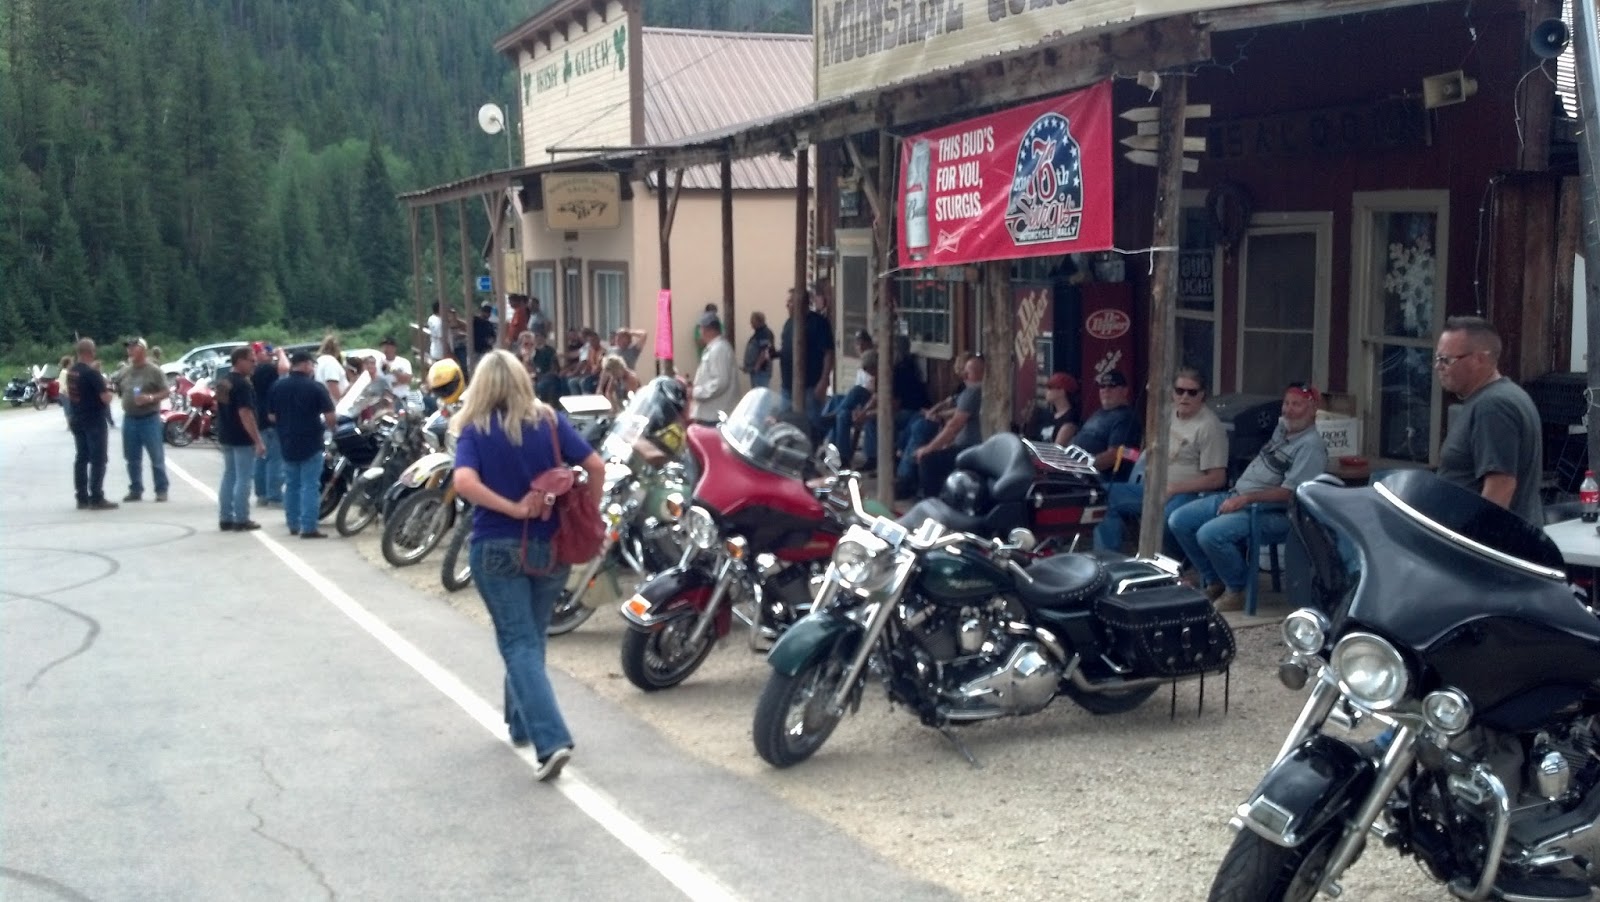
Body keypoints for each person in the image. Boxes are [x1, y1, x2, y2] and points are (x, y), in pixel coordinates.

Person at [452, 349, 605, 781]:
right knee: (530, 637)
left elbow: (464, 482)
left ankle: (551, 740)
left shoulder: (476, 428)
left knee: (517, 641)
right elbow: (594, 465)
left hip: (497, 545)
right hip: (549, 545)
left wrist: (514, 509)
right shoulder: (550, 422)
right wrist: (586, 514)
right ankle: (520, 722)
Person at [1168, 382, 1328, 612]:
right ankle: (1215, 580)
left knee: (1210, 534)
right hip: (1239, 496)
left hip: (1275, 512)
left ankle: (1237, 589)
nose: (1288, 409)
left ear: (1312, 409)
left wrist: (1247, 499)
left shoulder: (1311, 447)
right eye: (1286, 403)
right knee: (1179, 520)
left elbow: (1291, 493)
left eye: (1297, 405)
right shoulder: (1283, 429)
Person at [1094, 367, 1228, 553]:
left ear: (1202, 395)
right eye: (1179, 391)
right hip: (1154, 488)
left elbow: (1217, 479)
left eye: (1192, 392)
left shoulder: (1209, 426)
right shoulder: (1168, 414)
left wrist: (1174, 488)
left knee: (1165, 519)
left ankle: (1174, 564)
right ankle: (1109, 561)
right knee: (1102, 495)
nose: (1184, 397)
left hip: (1188, 494)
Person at [1433, 316, 1543, 524]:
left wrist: (1476, 542)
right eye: (1438, 358)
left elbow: (1501, 485)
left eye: (1446, 360)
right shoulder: (1505, 396)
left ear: (1479, 359)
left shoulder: (1493, 406)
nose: (1438, 367)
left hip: (1492, 547)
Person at [267, 351, 337, 539]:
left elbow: (271, 416)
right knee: (310, 485)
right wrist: (332, 430)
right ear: (305, 365)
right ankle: (309, 527)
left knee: (292, 484)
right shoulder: (316, 388)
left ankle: (293, 523)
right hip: (311, 440)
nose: (312, 368)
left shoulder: (277, 386)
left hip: (287, 440)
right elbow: (330, 416)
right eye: (311, 365)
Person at [908, 354, 985, 499]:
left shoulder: (974, 391)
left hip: (971, 448)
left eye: (969, 372)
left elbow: (954, 426)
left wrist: (929, 449)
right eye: (964, 371)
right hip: (968, 445)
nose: (964, 375)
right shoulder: (974, 391)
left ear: (981, 373)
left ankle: (931, 502)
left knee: (927, 459)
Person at [215, 347, 267, 532]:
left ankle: (225, 516)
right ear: (240, 361)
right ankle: (241, 518)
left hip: (226, 433)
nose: (254, 363)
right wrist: (258, 440)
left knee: (229, 475)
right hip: (241, 436)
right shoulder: (243, 384)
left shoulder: (223, 381)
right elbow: (245, 413)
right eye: (251, 360)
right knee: (244, 478)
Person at [860, 336, 930, 472]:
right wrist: (864, 411)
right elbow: (876, 397)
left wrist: (870, 414)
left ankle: (886, 461)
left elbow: (893, 406)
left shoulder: (900, 372)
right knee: (870, 419)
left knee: (877, 420)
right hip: (899, 410)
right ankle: (873, 458)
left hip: (912, 411)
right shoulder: (885, 373)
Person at [117, 337, 170, 503]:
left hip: (149, 418)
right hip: (130, 418)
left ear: (143, 350)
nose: (130, 350)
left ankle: (161, 489)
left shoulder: (154, 370)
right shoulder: (125, 371)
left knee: (156, 456)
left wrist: (151, 397)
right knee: (131, 457)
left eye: (133, 347)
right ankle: (135, 488)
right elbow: (119, 388)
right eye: (128, 348)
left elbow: (166, 391)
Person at [67, 339, 117, 511]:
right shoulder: (92, 374)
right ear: (91, 352)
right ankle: (97, 496)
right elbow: (105, 397)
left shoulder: (72, 372)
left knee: (81, 458)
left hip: (77, 417)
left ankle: (81, 497)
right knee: (98, 459)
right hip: (94, 419)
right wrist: (109, 388)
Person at [778, 287, 835, 425]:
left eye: (790, 301)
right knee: (786, 423)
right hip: (787, 386)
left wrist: (824, 380)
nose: (787, 305)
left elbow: (828, 353)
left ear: (801, 302)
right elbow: (787, 348)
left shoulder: (819, 323)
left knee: (811, 424)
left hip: (810, 385)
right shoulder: (789, 323)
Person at [1075, 370, 1143, 478]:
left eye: (1112, 386)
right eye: (1102, 386)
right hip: (1076, 471)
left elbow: (1115, 455)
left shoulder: (1126, 418)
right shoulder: (1098, 413)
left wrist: (1079, 466)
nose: (1106, 390)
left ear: (1125, 391)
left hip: (1099, 480)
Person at [825, 330, 875, 453]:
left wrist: (861, 409)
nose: (860, 347)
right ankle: (835, 452)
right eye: (858, 344)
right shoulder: (861, 364)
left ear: (869, 344)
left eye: (863, 343)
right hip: (857, 402)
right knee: (838, 403)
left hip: (870, 403)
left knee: (856, 392)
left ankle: (829, 420)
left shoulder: (873, 359)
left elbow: (873, 388)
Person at [251, 342, 288, 507]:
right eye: (265, 351)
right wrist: (280, 354)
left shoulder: (254, 372)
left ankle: (261, 494)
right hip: (271, 419)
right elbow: (285, 368)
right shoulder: (266, 369)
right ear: (257, 355)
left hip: (259, 418)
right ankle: (274, 495)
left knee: (261, 458)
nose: (268, 353)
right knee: (275, 459)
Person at [690, 312, 736, 424]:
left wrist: (696, 392)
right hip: (710, 413)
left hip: (714, 415)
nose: (700, 332)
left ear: (709, 330)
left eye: (701, 329)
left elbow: (720, 382)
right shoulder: (714, 348)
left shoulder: (718, 349)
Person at [1036, 372, 1080, 446]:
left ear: (1062, 391)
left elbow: (1057, 449)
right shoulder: (1050, 415)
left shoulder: (1070, 420)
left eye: (1050, 387)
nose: (1046, 391)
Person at [743, 311, 775, 390]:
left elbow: (765, 351)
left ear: (758, 321)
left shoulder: (764, 333)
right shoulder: (759, 333)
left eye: (752, 321)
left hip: (761, 372)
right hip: (757, 372)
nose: (750, 323)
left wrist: (756, 367)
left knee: (760, 396)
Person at [314, 334, 348, 404]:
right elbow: (332, 383)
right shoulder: (330, 362)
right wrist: (342, 402)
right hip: (335, 404)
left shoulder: (319, 361)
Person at [57, 354, 74, 427]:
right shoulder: (65, 372)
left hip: (65, 392)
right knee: (68, 408)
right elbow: (62, 383)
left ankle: (70, 424)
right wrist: (66, 392)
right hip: (64, 393)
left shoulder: (65, 371)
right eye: (71, 363)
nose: (72, 364)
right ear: (68, 364)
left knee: (69, 408)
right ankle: (69, 424)